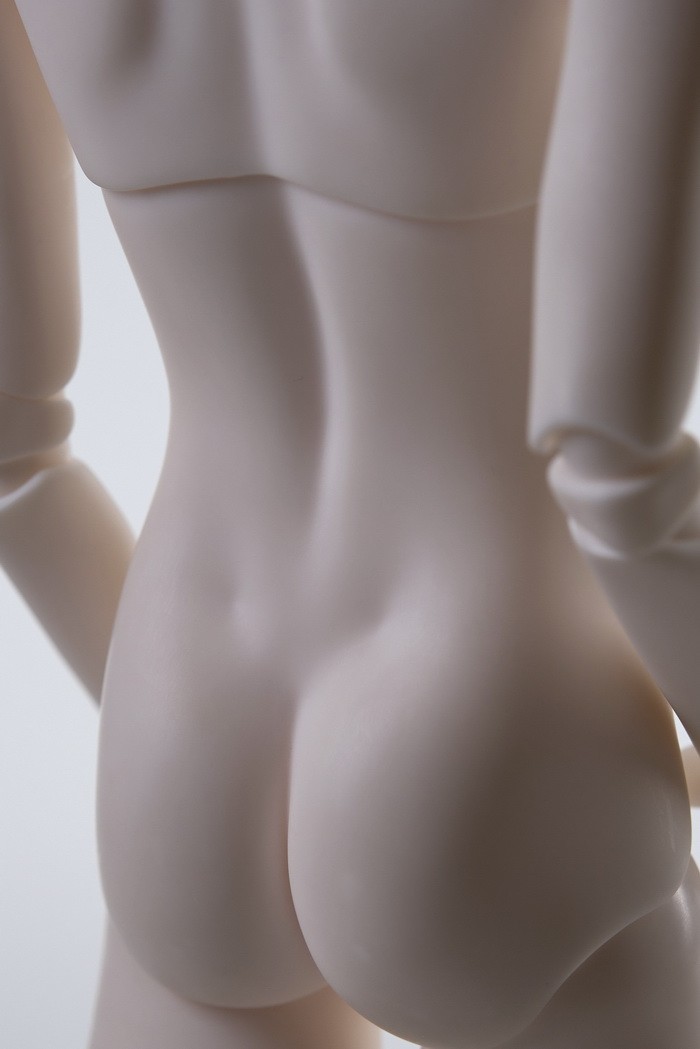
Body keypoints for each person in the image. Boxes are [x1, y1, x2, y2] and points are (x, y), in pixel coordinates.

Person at [2, 2, 699, 1046]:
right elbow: (618, 474)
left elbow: (13, 458)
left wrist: (172, 730)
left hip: (183, 698)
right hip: (503, 710)